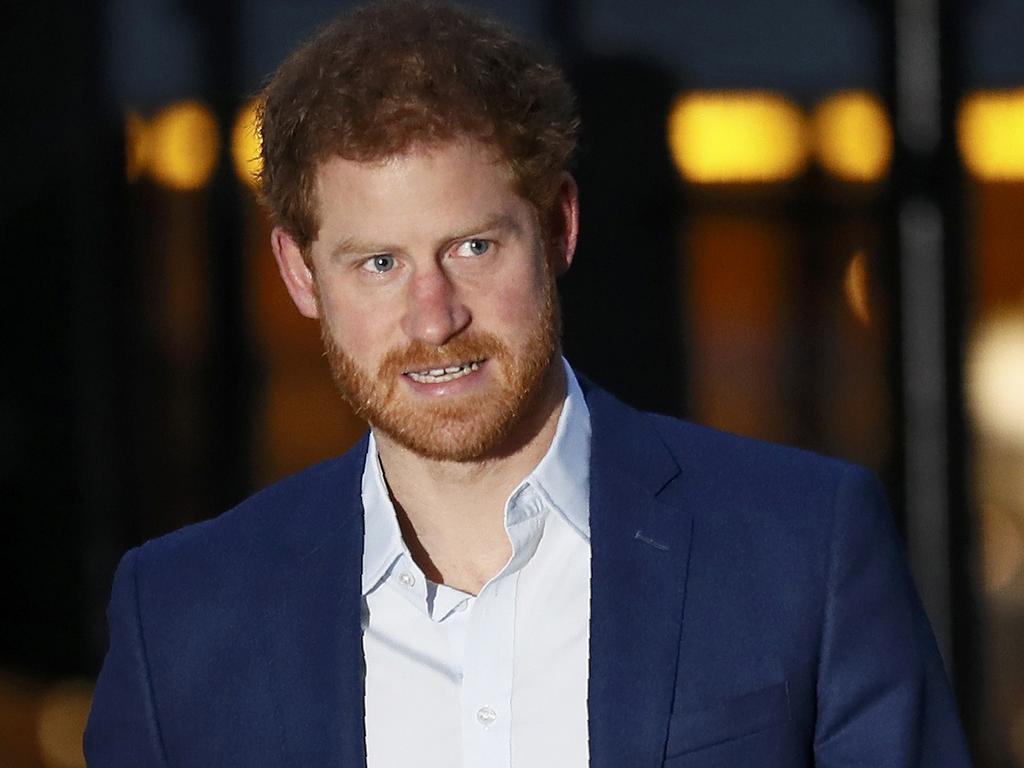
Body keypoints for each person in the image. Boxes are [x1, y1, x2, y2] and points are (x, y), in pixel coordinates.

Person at [85, 2, 973, 766]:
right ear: (301, 274)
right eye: (379, 263)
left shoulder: (801, 550)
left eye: (473, 247)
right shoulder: (183, 623)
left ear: (556, 228)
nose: (433, 318)